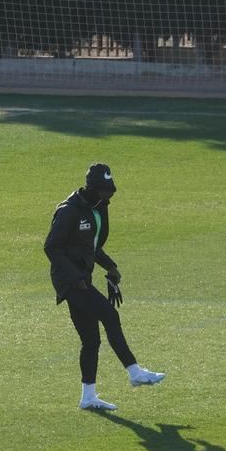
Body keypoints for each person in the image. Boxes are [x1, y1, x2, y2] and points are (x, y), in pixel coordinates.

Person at [44, 163, 165, 411]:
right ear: (92, 188)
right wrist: (75, 276)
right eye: (104, 190)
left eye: (111, 190)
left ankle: (88, 397)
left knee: (90, 340)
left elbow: (91, 246)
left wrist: (110, 266)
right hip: (70, 281)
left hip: (83, 277)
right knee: (110, 315)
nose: (109, 194)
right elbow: (51, 247)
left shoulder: (98, 208)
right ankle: (134, 372)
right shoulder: (69, 211)